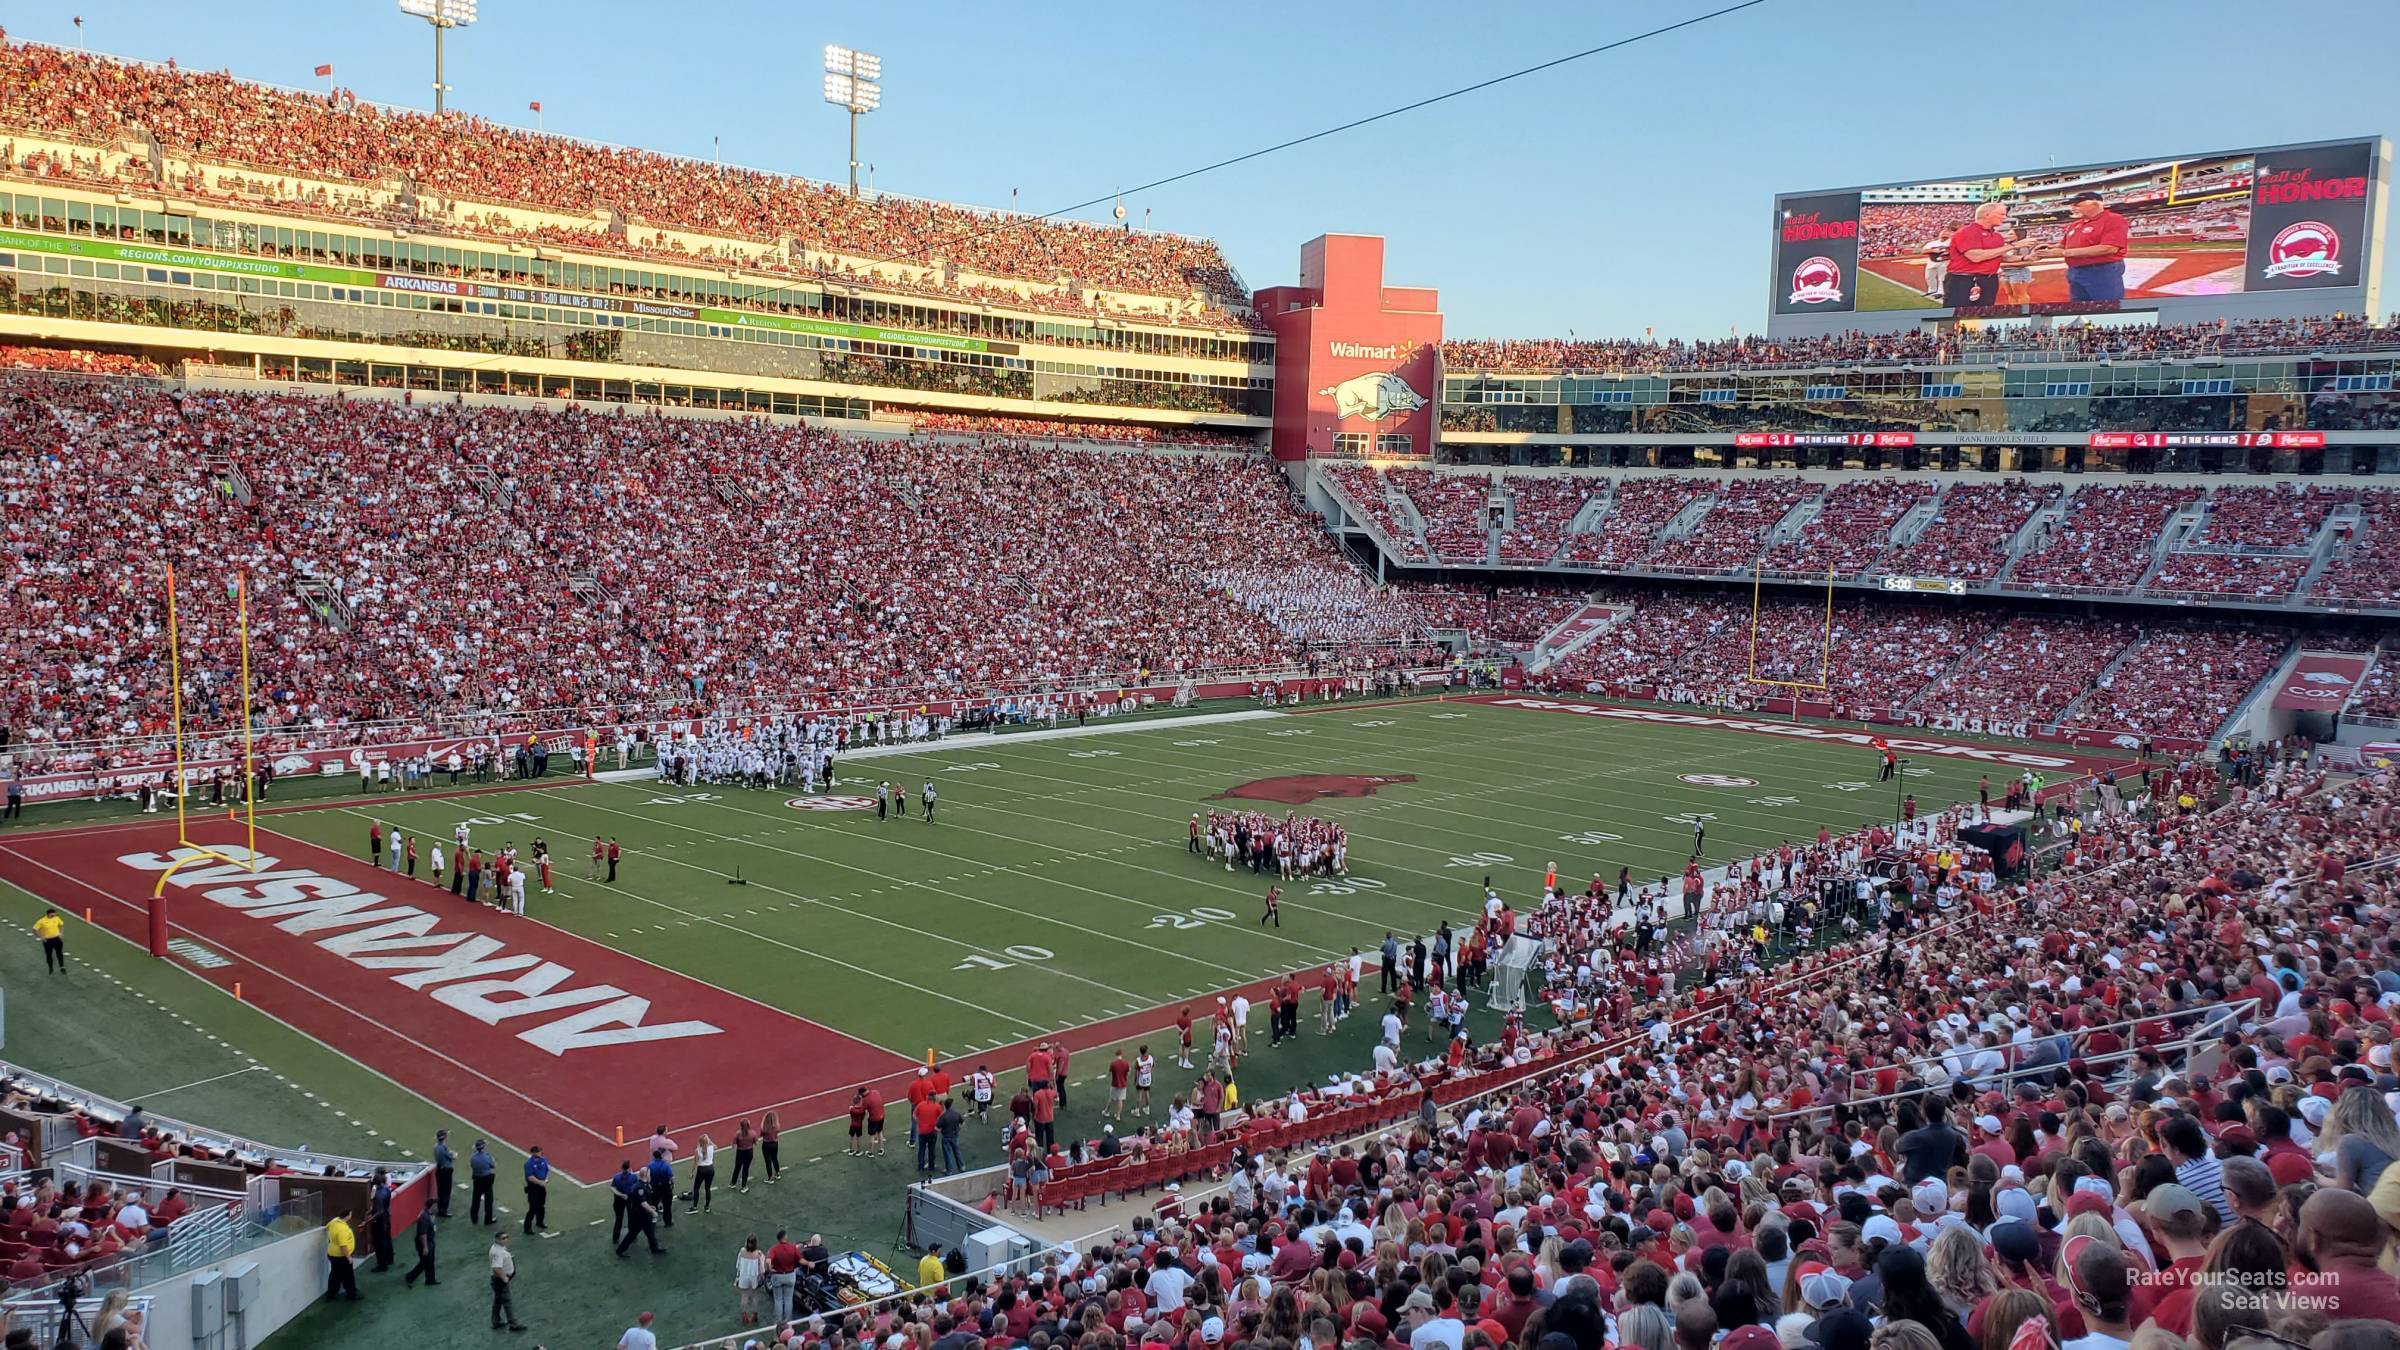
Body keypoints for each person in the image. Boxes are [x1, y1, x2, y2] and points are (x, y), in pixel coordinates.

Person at [2048, 191, 2129, 303]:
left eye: (2077, 205)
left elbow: (2109, 248)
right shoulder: (2074, 225)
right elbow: (2063, 246)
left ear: (2095, 204)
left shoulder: (2113, 219)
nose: (2072, 208)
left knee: (2106, 307)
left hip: (2102, 271)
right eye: (2072, 205)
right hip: (2075, 271)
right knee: (2078, 308)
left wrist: (2064, 253)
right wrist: (2048, 248)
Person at [1944, 201, 2015, 308]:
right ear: (1987, 215)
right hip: (1963, 281)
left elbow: (1999, 256)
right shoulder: (1966, 232)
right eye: (2001, 214)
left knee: (1984, 314)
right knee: (1955, 315)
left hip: (1989, 280)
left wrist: (2028, 257)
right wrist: (2013, 246)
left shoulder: (1997, 236)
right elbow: (1975, 257)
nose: (2004, 217)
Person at [488, 1230, 526, 1332]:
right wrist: (504, 1278)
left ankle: (495, 1321)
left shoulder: (497, 1248)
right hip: (500, 1280)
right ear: (497, 1240)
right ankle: (513, 1324)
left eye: (506, 1237)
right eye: (503, 1238)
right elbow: (496, 1267)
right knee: (507, 1301)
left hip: (497, 1280)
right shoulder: (498, 1252)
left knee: (498, 1300)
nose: (506, 1240)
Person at [767, 1229, 803, 1325]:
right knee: (788, 1299)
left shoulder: (773, 1249)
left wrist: (770, 1268)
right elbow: (799, 1260)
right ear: (785, 1237)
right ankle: (788, 1322)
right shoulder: (792, 1248)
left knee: (778, 1300)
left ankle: (778, 1322)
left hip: (778, 1276)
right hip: (790, 1276)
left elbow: (768, 1260)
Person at [325, 1210, 362, 1301]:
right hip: (341, 1256)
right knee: (348, 1276)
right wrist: (348, 1257)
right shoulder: (343, 1229)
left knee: (335, 1274)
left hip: (332, 1253)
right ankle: (352, 1294)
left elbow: (327, 1227)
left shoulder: (334, 1221)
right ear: (348, 1216)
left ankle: (331, 1294)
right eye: (351, 1214)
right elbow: (343, 1246)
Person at [366, 1167, 395, 1271]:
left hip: (380, 1221)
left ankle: (382, 1265)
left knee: (379, 1242)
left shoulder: (378, 1195)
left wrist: (368, 1219)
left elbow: (379, 1211)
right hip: (386, 1218)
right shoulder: (386, 1189)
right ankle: (390, 1258)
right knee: (387, 1238)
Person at [403, 1204, 438, 1287]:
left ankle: (430, 1279)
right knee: (425, 1262)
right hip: (424, 1243)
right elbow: (423, 1234)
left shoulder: (431, 1214)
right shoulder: (424, 1218)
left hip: (430, 1241)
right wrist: (425, 1247)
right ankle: (410, 1276)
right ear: (431, 1206)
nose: (437, 1207)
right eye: (435, 1205)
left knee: (430, 1261)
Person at [734, 1236, 767, 1326]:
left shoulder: (742, 1251)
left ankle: (744, 1315)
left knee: (744, 1296)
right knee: (755, 1296)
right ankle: (754, 1315)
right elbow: (762, 1269)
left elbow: (738, 1265)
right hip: (754, 1277)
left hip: (743, 1276)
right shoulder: (758, 1254)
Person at [521, 1145, 550, 1234]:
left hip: (541, 1186)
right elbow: (530, 1177)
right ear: (533, 1153)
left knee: (541, 1205)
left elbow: (547, 1170)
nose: (540, 1153)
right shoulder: (529, 1164)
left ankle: (540, 1221)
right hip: (533, 1187)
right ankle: (527, 1227)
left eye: (540, 1151)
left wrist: (546, 1179)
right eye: (538, 1152)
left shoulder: (543, 1160)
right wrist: (540, 1182)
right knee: (533, 1208)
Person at [685, 1134, 717, 1214]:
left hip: (702, 1170)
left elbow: (695, 1163)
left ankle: (695, 1207)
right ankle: (707, 1207)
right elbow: (715, 1146)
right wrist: (709, 1141)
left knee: (696, 1188)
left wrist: (692, 1173)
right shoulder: (711, 1147)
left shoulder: (697, 1150)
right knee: (707, 1188)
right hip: (710, 1169)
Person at [468, 1139, 496, 1225]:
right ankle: (488, 1219)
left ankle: (474, 1218)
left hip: (477, 1179)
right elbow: (493, 1165)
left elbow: (472, 1166)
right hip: (486, 1179)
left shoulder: (473, 1156)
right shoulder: (486, 1157)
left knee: (475, 1199)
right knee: (488, 1200)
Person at [32, 907, 64, 974]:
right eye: (52, 915)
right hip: (48, 940)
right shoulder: (42, 921)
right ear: (48, 914)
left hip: (57, 938)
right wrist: (41, 937)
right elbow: (35, 929)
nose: (54, 916)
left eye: (54, 915)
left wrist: (61, 933)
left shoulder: (56, 918)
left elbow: (61, 925)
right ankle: (50, 967)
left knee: (59, 953)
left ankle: (62, 967)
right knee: (49, 955)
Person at [432, 1129, 455, 1219]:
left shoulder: (436, 1146)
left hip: (439, 1169)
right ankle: (443, 1210)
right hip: (445, 1170)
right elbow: (450, 1157)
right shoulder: (443, 1147)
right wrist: (453, 1155)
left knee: (440, 1190)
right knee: (446, 1191)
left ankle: (440, 1208)